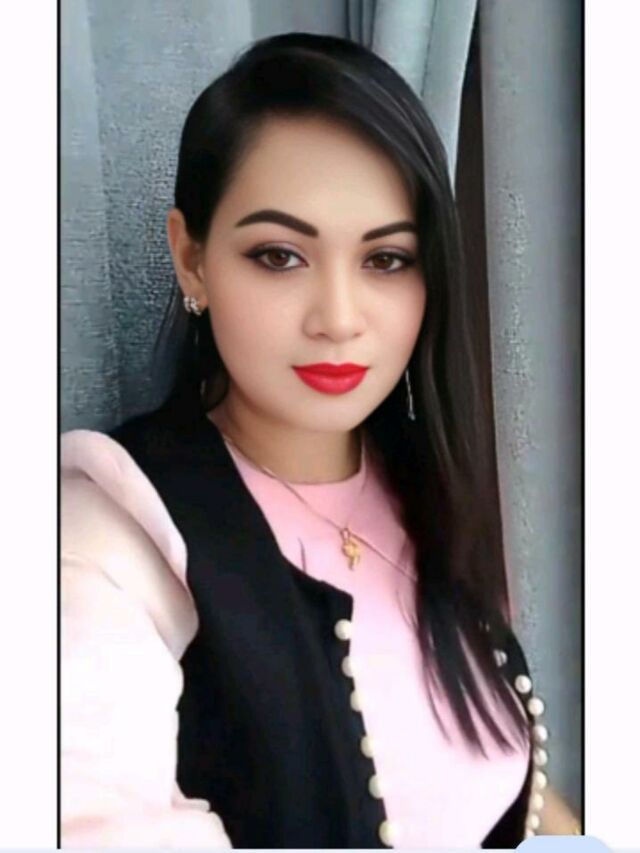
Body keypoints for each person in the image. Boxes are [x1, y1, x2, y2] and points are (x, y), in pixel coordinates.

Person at [61, 32, 580, 848]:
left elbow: (521, 803)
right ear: (191, 258)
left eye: (386, 259)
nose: (338, 318)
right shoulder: (115, 531)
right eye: (279, 256)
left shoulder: (425, 488)